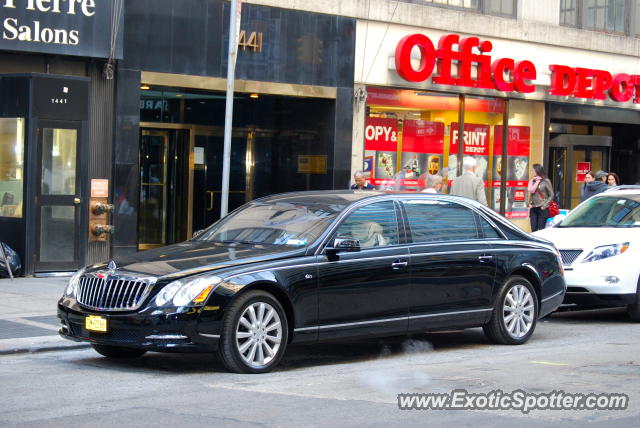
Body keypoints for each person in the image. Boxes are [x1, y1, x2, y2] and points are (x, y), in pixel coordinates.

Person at [528, 163, 554, 232]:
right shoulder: (532, 181)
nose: (532, 172)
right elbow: (531, 194)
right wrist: (529, 203)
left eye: (533, 170)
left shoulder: (546, 181)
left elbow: (551, 195)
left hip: (542, 208)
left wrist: (545, 205)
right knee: (533, 229)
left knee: (541, 230)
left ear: (538, 170)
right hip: (533, 208)